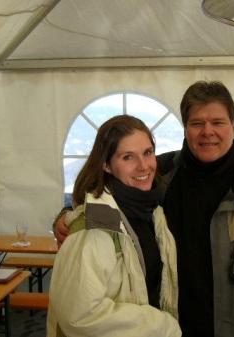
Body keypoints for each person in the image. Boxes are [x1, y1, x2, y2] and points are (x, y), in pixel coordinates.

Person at [54, 81, 234, 337]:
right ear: (185, 128)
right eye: (197, 123)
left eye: (218, 122)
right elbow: (103, 202)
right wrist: (65, 218)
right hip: (172, 329)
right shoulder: (159, 176)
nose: (207, 132)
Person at [47, 115, 181, 337]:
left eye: (148, 153)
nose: (143, 165)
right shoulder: (95, 226)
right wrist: (162, 325)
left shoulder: (152, 211)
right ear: (106, 165)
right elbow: (80, 314)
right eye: (128, 157)